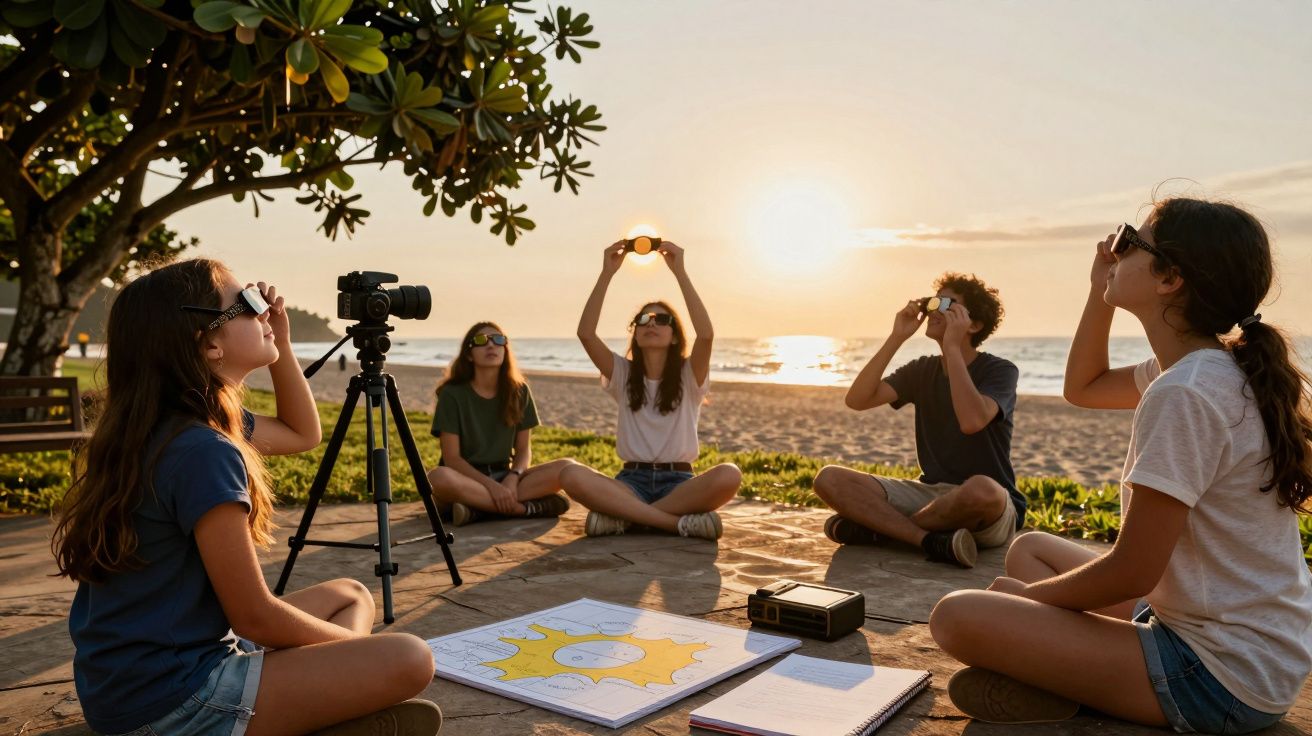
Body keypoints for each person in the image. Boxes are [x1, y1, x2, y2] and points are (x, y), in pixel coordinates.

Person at [929, 198, 1312, 733]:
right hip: (1233, 642)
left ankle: (1076, 690)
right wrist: (1099, 290)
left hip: (1221, 678)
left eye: (1131, 239)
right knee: (1029, 549)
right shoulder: (1200, 369)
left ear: (1169, 278)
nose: (1114, 249)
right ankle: (1068, 685)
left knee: (957, 615)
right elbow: (1083, 388)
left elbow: (1134, 569)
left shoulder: (1187, 391)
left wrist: (1029, 603)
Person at [52, 259, 441, 736]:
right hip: (174, 699)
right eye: (247, 303)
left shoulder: (178, 423)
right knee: (410, 657)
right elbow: (254, 616)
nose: (264, 310)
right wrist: (348, 656)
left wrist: (282, 343)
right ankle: (321, 710)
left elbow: (302, 432)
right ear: (209, 343)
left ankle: (320, 704)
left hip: (126, 690)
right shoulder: (200, 449)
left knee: (351, 594)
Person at [812, 273, 1023, 568]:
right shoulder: (921, 370)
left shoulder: (1000, 370)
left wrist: (952, 349)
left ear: (973, 325)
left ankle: (881, 531)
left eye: (948, 303)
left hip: (989, 504)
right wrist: (897, 336)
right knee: (828, 478)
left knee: (982, 489)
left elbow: (972, 421)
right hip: (929, 495)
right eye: (933, 301)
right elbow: (857, 400)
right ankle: (924, 539)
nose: (935, 309)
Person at [559, 240, 741, 540]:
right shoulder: (622, 373)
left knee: (730, 474)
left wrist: (680, 272)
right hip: (631, 481)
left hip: (679, 482)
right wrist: (607, 273)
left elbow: (706, 335)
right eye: (643, 319)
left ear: (674, 335)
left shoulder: (688, 374)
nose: (651, 324)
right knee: (569, 474)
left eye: (662, 320)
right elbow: (586, 333)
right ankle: (671, 523)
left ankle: (628, 517)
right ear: (635, 333)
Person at [426, 322, 574, 526]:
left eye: (498, 340)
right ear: (469, 355)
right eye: (481, 341)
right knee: (437, 478)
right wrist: (493, 488)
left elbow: (523, 451)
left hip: (505, 476)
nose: (491, 345)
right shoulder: (452, 394)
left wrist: (512, 477)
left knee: (566, 467)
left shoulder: (519, 391)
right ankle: (523, 509)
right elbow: (452, 459)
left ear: (505, 350)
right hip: (464, 478)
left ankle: (477, 509)